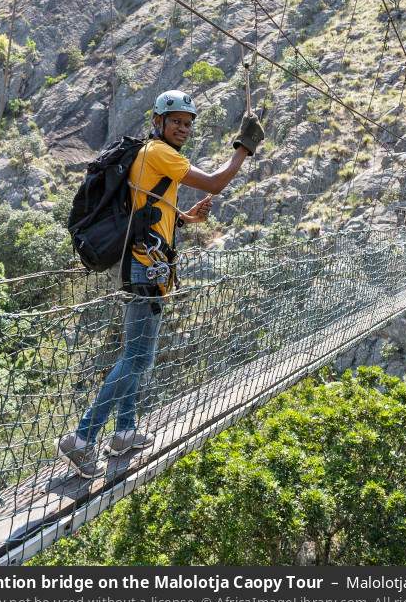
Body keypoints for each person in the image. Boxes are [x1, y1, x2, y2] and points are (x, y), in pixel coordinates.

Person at [57, 89, 264, 478]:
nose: (183, 129)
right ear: (158, 123)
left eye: (187, 123)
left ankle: (124, 432)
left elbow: (150, 213)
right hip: (145, 270)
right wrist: (244, 146)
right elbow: (216, 182)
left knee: (138, 357)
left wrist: (186, 219)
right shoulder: (161, 153)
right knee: (136, 359)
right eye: (176, 122)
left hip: (147, 265)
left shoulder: (150, 156)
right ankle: (83, 438)